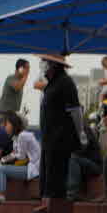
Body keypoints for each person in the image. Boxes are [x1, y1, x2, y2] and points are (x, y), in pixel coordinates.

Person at [38, 54, 81, 199]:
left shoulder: (66, 82)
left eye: (44, 61)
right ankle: (46, 205)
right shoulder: (51, 83)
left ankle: (55, 209)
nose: (42, 64)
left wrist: (80, 133)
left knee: (56, 181)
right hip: (48, 140)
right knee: (47, 180)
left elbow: (76, 111)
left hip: (60, 140)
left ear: (53, 64)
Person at [0, 112, 40, 199]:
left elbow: (21, 156)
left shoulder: (23, 136)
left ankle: (0, 196)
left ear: (14, 124)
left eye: (7, 124)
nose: (5, 127)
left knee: (0, 169)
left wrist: (5, 159)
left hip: (34, 169)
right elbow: (15, 154)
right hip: (29, 166)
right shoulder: (16, 137)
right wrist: (4, 159)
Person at [66, 117, 102, 201]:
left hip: (95, 165)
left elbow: (83, 147)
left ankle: (72, 193)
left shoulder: (83, 129)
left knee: (72, 158)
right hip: (82, 163)